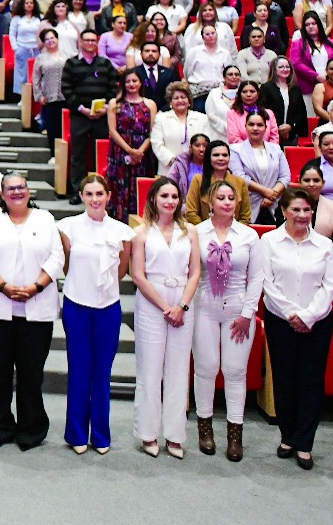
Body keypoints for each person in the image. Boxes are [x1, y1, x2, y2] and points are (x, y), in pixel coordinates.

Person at [0, 172, 63, 451]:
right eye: (10, 188)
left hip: (37, 309)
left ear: (29, 191)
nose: (16, 192)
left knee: (31, 372)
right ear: (2, 194)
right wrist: (3, 286)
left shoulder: (45, 219)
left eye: (21, 187)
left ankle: (30, 428)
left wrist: (36, 287)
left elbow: (57, 257)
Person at [259, 186, 333, 469]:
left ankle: (305, 443)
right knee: (285, 379)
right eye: (296, 209)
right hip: (281, 321)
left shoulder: (324, 245)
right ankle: (288, 437)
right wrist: (291, 314)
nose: (302, 215)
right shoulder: (269, 241)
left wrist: (309, 316)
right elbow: (267, 283)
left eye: (307, 210)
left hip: (318, 323)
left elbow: (329, 286)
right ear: (283, 211)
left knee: (310, 382)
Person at [57, 174, 133, 454]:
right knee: (79, 369)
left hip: (108, 308)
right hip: (76, 305)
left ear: (109, 196)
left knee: (102, 372)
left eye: (100, 193)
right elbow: (66, 266)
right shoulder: (67, 227)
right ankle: (76, 433)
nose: (95, 199)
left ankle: (101, 435)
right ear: (81, 196)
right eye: (89, 194)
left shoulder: (123, 231)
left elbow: (121, 269)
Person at [130, 177, 201, 458]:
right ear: (153, 199)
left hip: (183, 302)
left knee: (178, 370)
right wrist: (165, 307)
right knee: (150, 370)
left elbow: (195, 272)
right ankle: (148, 433)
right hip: (152, 302)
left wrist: (181, 306)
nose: (170, 201)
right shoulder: (141, 232)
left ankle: (175, 435)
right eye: (164, 196)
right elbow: (138, 275)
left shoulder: (190, 231)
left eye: (174, 196)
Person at [191, 181, 260, 461]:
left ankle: (235, 435)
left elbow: (256, 278)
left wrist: (247, 314)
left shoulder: (249, 235)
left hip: (237, 309)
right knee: (206, 368)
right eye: (221, 198)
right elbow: (190, 272)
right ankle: (205, 428)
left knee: (235, 370)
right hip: (204, 307)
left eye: (232, 198)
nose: (227, 202)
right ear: (210, 202)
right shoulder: (196, 232)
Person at [62, 28, 118, 201]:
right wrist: (82, 109)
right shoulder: (71, 64)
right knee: (78, 155)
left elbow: (113, 88)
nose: (90, 43)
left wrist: (106, 108)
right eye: (87, 40)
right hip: (80, 116)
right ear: (80, 42)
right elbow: (66, 89)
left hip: (101, 117)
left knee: (99, 154)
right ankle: (78, 192)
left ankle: (99, 192)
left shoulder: (105, 64)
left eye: (93, 40)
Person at [104, 69, 158, 221]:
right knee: (120, 188)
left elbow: (153, 132)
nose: (131, 84)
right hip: (120, 151)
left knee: (139, 186)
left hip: (143, 152)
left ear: (141, 83)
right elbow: (112, 131)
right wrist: (129, 150)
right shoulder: (115, 103)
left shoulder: (150, 104)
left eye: (134, 81)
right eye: (128, 81)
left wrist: (139, 151)